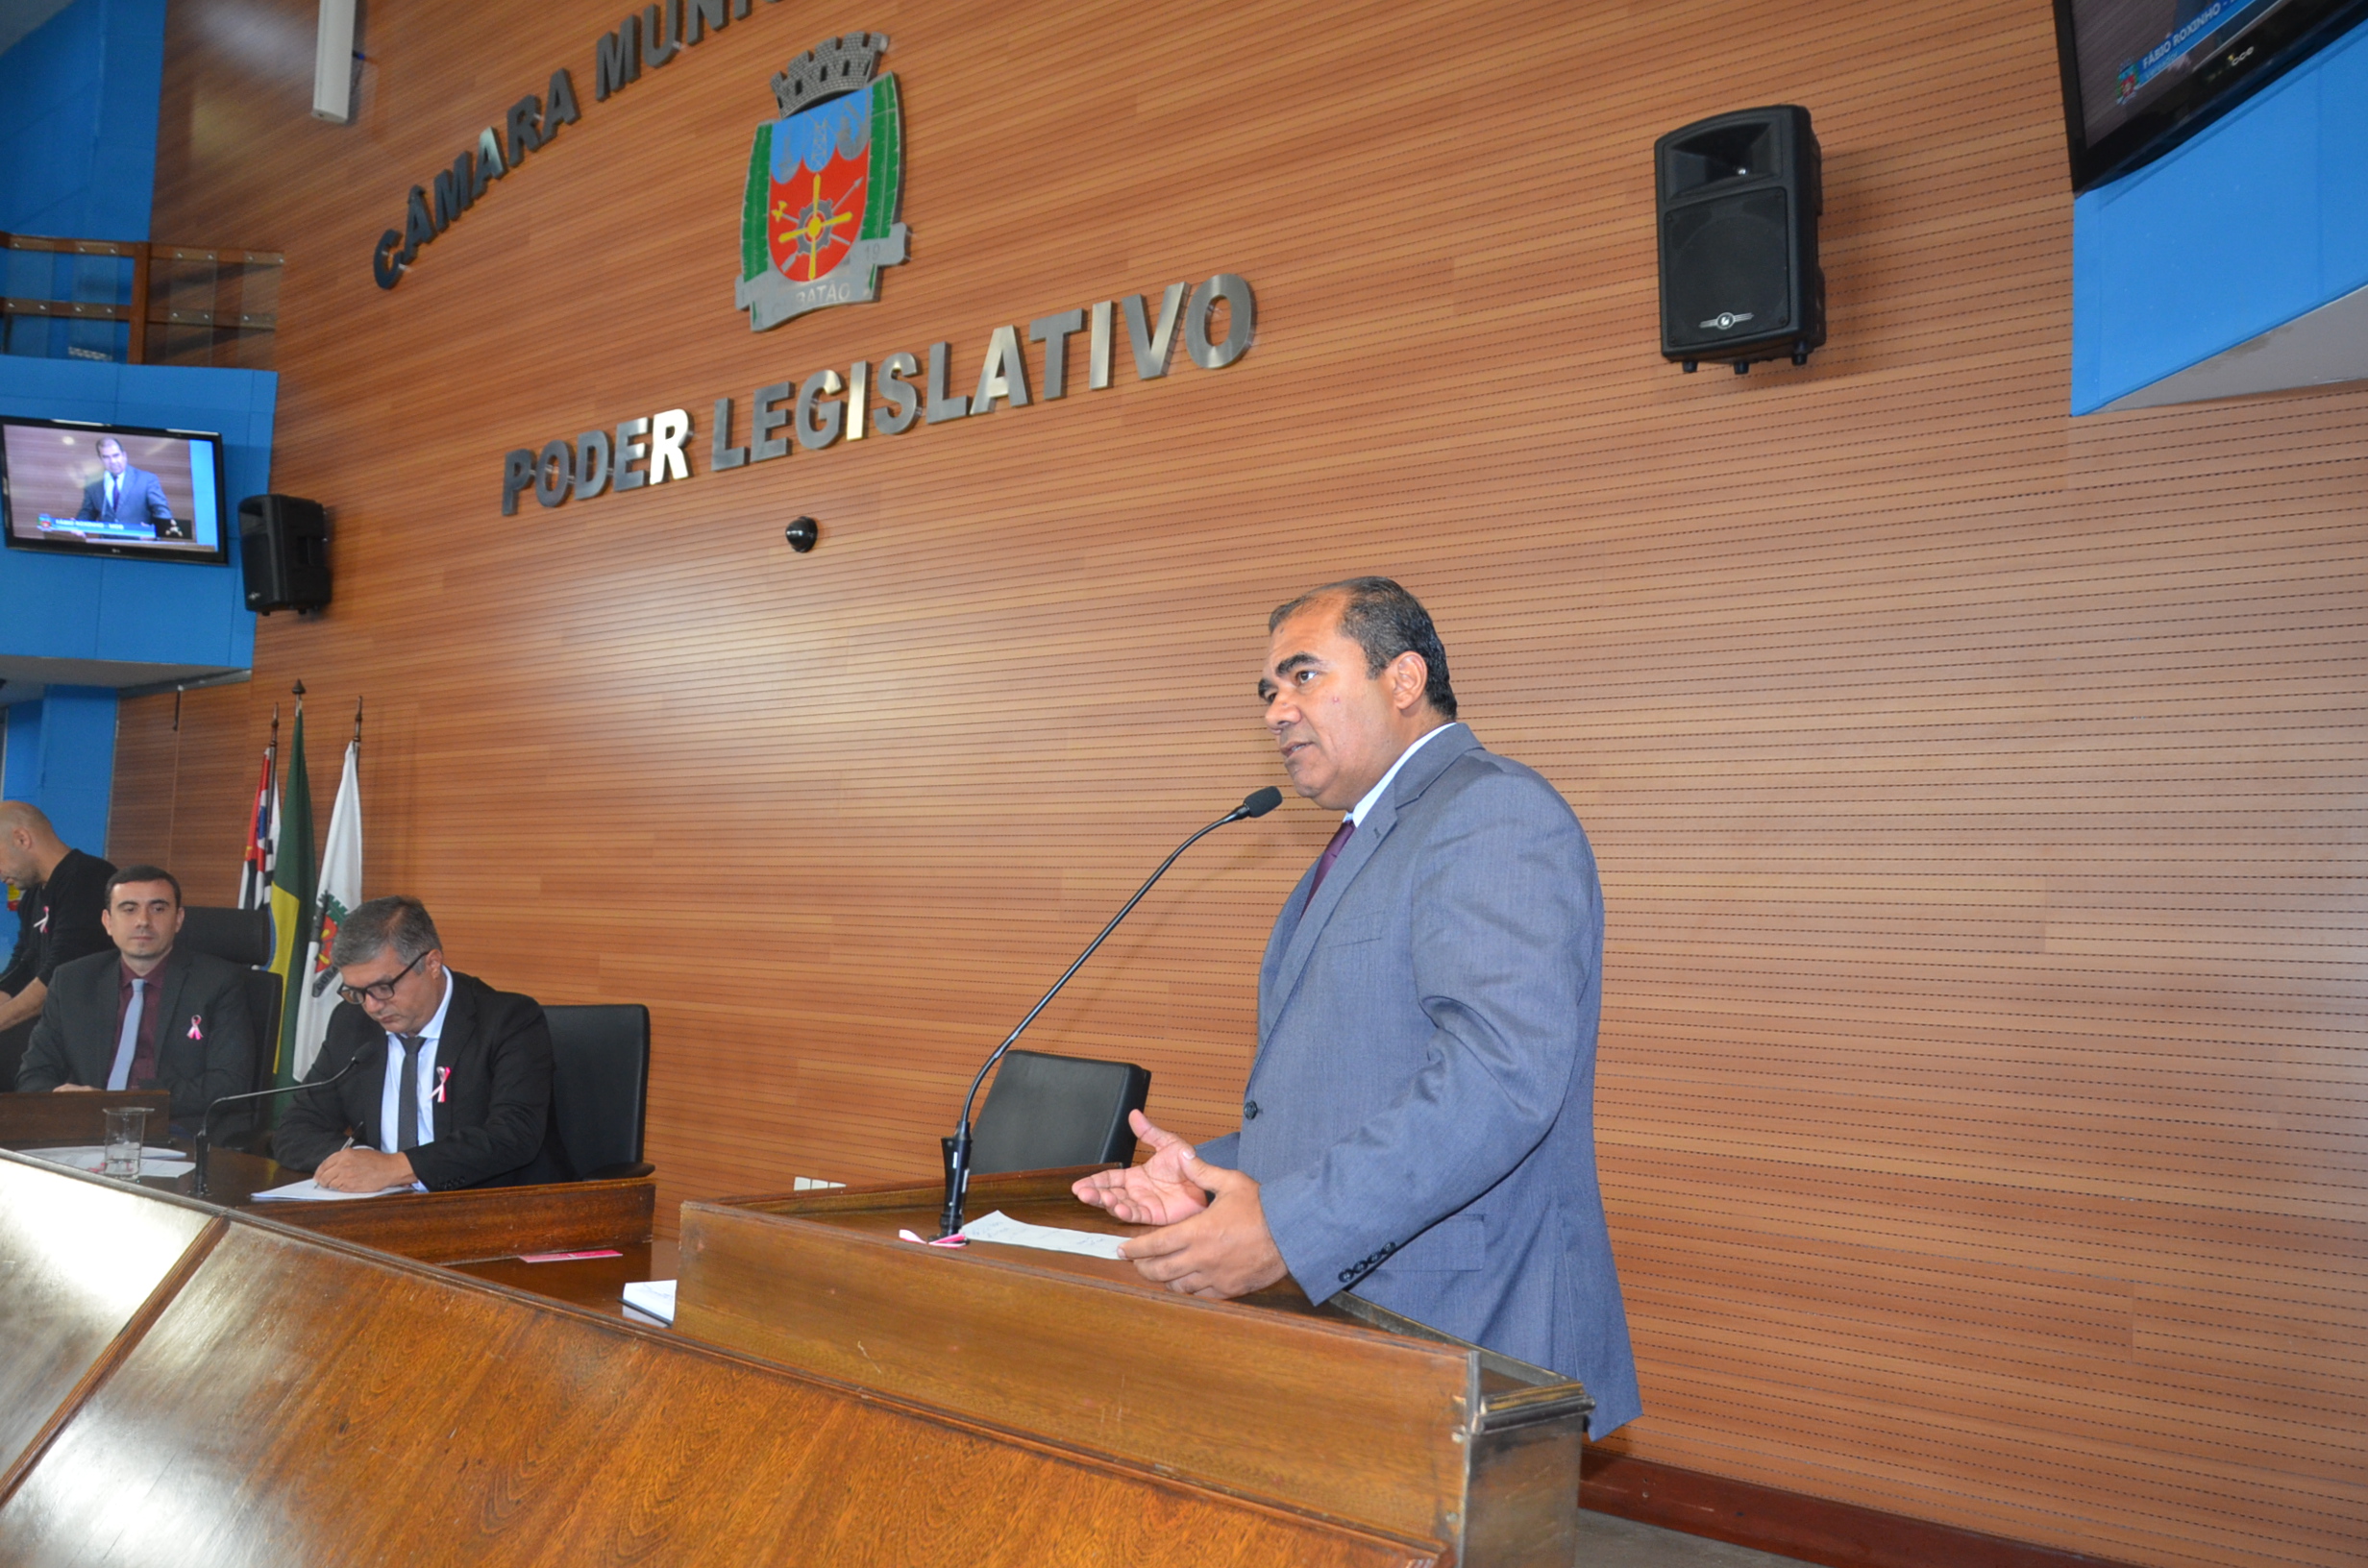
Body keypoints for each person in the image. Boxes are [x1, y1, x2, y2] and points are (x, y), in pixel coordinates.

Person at [1073, 576, 1642, 1434]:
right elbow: (1358, 1083)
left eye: (1304, 677)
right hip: (1366, 1320)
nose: (1275, 711)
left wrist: (1290, 1225)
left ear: (1403, 680)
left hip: (1461, 1321)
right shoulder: (1361, 844)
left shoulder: (1490, 815)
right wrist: (1213, 1176)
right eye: (1268, 690)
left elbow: (1499, 1083)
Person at [274, 895, 574, 1191]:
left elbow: (513, 1136)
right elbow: (295, 1130)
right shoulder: (351, 1024)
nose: (371, 1006)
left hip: (495, 1209)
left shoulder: (508, 1020)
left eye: (383, 987)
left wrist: (397, 1167)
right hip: (383, 1211)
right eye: (356, 992)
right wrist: (363, 1162)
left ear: (431, 963)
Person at [14, 865, 257, 1130]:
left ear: (178, 919)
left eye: (158, 908)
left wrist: (125, 1104)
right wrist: (64, 1098)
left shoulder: (218, 983)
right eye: (129, 909)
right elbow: (34, 1074)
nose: (143, 920)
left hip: (173, 1131)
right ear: (108, 921)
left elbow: (229, 1083)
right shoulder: (71, 981)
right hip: (84, 1128)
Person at [0, 802, 116, 1037]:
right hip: (51, 1031)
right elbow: (22, 967)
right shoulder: (33, 896)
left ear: (22, 838)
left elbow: (62, 977)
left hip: (89, 1036)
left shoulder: (89, 879)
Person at [74, 436, 177, 534]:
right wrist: (79, 527)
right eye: (106, 457)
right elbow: (88, 512)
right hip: (106, 546)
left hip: (140, 546)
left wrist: (154, 533)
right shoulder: (93, 482)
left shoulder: (147, 480)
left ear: (124, 455)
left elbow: (162, 511)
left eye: (116, 455)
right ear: (100, 459)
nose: (113, 461)